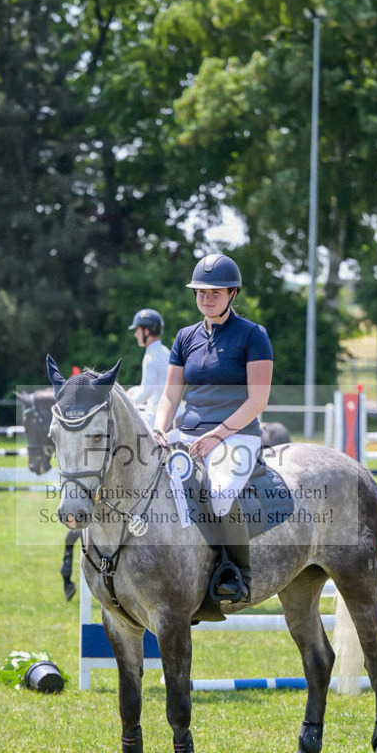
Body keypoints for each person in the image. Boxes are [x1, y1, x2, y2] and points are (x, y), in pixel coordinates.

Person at [152, 253, 273, 604]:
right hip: (188, 434)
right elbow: (170, 398)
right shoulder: (184, 337)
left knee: (219, 495)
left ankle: (237, 574)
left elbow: (257, 400)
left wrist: (217, 434)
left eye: (215, 292)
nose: (206, 298)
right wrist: (160, 429)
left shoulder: (253, 335)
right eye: (201, 291)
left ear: (233, 293)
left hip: (237, 434)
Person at [127, 308, 171, 428]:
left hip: (156, 416)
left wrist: (126, 403)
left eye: (137, 330)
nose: (136, 334)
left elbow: (147, 392)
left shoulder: (151, 357)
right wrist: (135, 390)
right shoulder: (165, 350)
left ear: (146, 331)